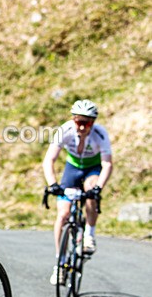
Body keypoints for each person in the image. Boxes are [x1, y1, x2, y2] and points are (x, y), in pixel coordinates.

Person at [43, 99, 113, 284]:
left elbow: (107, 163)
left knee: (91, 191)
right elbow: (49, 159)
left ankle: (89, 235)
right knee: (63, 213)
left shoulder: (100, 134)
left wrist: (99, 187)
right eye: (79, 121)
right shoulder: (65, 130)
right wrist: (53, 184)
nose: (82, 126)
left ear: (93, 122)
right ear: (73, 120)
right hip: (72, 168)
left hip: (92, 169)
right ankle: (60, 262)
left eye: (87, 122)